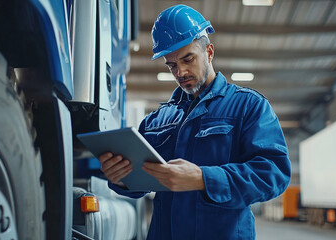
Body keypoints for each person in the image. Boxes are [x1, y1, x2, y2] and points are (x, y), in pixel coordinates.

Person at [97, 4, 291, 239]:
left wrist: (203, 178)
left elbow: (273, 174)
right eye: (172, 65)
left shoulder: (248, 106)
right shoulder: (157, 121)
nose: (180, 72)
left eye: (188, 59)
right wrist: (121, 178)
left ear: (209, 52)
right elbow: (141, 182)